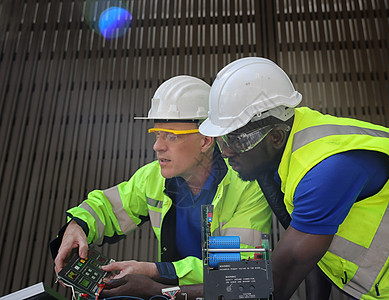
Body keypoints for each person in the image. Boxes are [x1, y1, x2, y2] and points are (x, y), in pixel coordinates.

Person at [199, 57, 389, 299]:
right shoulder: (285, 153)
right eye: (221, 140)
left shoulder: (324, 170)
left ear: (275, 136)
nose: (227, 151)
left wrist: (172, 293)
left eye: (237, 140)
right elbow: (311, 254)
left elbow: (278, 278)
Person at [50, 75, 272, 299]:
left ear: (205, 140)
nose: (157, 146)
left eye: (171, 137)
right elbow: (106, 208)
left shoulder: (247, 185)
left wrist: (155, 272)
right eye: (157, 135)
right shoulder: (153, 177)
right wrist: (78, 225)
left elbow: (235, 267)